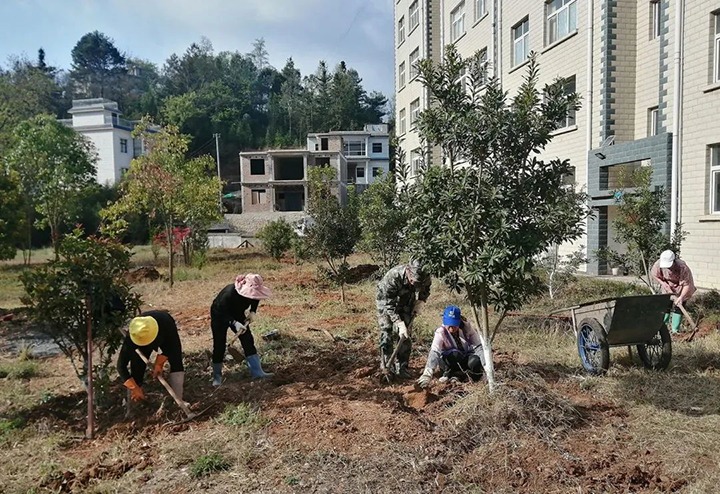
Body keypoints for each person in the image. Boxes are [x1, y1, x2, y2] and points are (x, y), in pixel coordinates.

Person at [210, 273, 272, 385]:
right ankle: (217, 377)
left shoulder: (253, 293)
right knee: (219, 344)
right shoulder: (228, 294)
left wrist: (253, 311)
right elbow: (220, 311)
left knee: (247, 338)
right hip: (220, 315)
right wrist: (233, 323)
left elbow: (255, 298)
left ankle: (257, 372)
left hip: (237, 313)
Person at [376, 260, 431, 378]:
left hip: (406, 297)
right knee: (387, 330)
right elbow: (389, 306)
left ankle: (402, 367)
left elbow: (425, 289)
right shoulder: (393, 277)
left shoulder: (424, 275)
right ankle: (386, 367)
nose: (414, 285)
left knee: (406, 333)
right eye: (413, 282)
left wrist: (420, 301)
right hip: (386, 300)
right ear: (408, 272)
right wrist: (398, 323)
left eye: (417, 284)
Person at [117, 310, 185, 404]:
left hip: (164, 326)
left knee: (176, 359)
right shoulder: (133, 337)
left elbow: (171, 348)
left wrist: (159, 363)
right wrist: (134, 387)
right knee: (137, 365)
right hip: (140, 339)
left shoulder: (166, 325)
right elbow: (121, 366)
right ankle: (136, 401)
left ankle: (179, 400)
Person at [417, 305, 485, 388]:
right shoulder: (441, 332)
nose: (452, 328)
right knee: (455, 354)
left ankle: (468, 376)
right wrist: (427, 374)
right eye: (449, 324)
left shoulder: (467, 328)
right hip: (449, 362)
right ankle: (452, 375)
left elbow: (478, 347)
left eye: (454, 325)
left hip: (464, 358)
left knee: (475, 361)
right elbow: (435, 351)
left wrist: (486, 367)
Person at [650, 250, 697, 334]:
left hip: (681, 287)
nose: (668, 268)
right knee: (666, 305)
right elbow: (654, 275)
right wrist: (663, 283)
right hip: (668, 286)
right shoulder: (658, 264)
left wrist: (681, 297)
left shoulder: (682, 267)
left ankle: (675, 330)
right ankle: (663, 328)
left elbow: (686, 285)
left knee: (679, 305)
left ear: (674, 261)